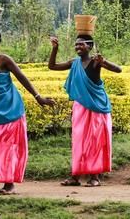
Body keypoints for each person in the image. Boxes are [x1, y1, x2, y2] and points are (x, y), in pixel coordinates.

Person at [0, 29, 55, 195]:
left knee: (8, 149)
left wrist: (38, 97)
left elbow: (22, 77)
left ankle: (9, 185)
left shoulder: (4, 60)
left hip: (10, 109)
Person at [49, 34, 122, 187]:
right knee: (79, 141)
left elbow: (119, 70)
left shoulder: (95, 62)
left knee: (95, 141)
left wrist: (104, 62)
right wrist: (55, 49)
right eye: (76, 45)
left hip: (97, 107)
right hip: (81, 106)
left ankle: (94, 177)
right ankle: (75, 177)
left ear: (89, 46)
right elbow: (52, 66)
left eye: (81, 45)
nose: (78, 47)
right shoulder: (74, 63)